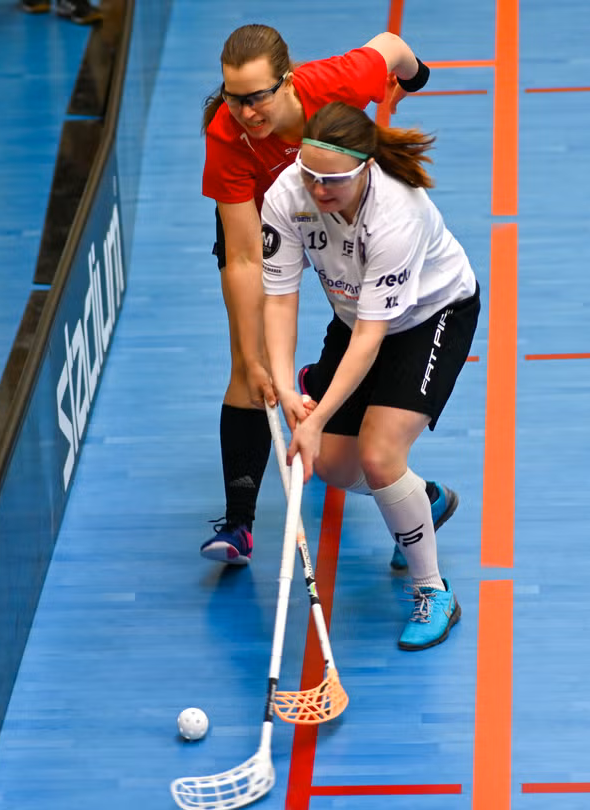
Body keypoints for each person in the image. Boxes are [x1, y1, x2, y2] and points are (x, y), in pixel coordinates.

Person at [198, 24, 453, 567]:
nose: (245, 112)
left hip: (339, 210)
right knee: (250, 368)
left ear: (289, 81)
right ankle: (240, 523)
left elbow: (392, 47)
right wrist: (254, 355)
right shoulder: (226, 137)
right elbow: (244, 259)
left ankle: (322, 382)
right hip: (260, 220)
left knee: (353, 318)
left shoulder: (335, 84)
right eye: (233, 98)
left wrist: (414, 79)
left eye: (257, 97)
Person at [261, 102, 480, 651]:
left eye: (333, 180)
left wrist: (315, 420)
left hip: (431, 315)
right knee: (336, 466)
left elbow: (371, 338)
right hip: (354, 315)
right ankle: (422, 499)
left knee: (380, 456)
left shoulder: (397, 213)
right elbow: (281, 299)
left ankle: (433, 591)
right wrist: (285, 386)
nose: (318, 189)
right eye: (310, 174)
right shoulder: (286, 196)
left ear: (365, 168)